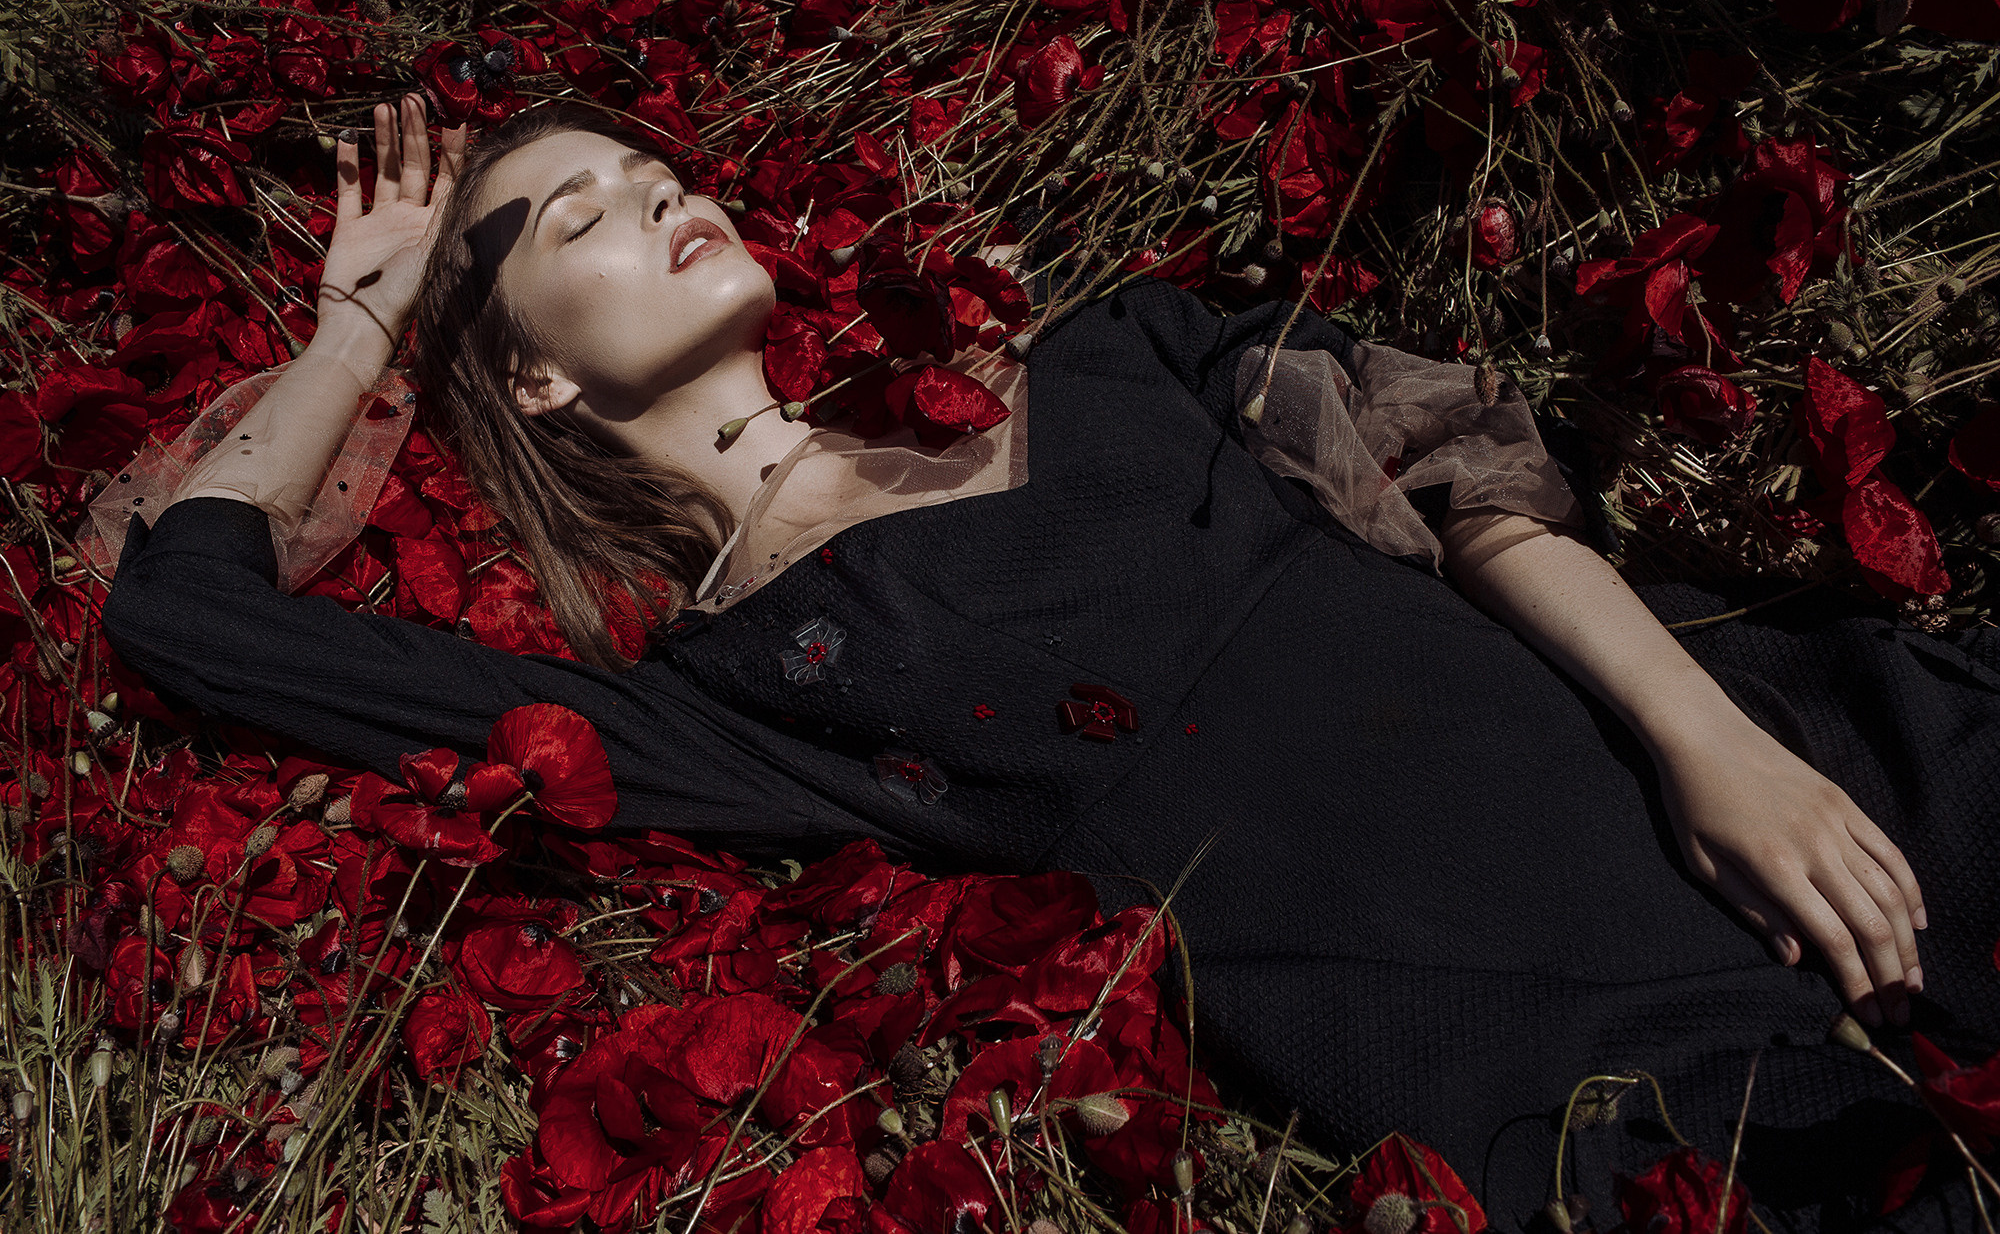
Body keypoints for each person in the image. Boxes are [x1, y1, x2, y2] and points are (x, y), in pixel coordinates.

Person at [97, 94, 2000, 1229]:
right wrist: (359, 333)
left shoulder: (1107, 352)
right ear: (527, 374)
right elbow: (192, 619)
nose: (663, 193)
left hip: (1798, 777)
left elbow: (1465, 488)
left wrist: (1708, 739)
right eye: (580, 214)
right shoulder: (741, 690)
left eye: (654, 166)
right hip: (1558, 1047)